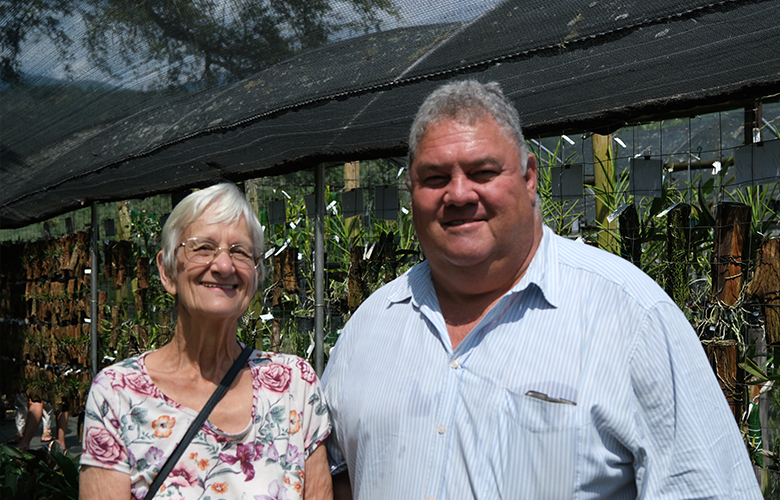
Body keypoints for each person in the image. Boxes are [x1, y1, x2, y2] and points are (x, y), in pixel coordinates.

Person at [320, 80, 762, 499]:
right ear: (411, 189)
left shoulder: (631, 318)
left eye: (482, 172)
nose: (459, 194)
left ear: (529, 177)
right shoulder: (369, 329)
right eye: (434, 177)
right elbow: (328, 481)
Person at [80, 183, 332, 500]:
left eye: (240, 251)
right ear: (167, 271)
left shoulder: (294, 385)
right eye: (203, 248)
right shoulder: (118, 394)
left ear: (256, 275)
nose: (224, 265)